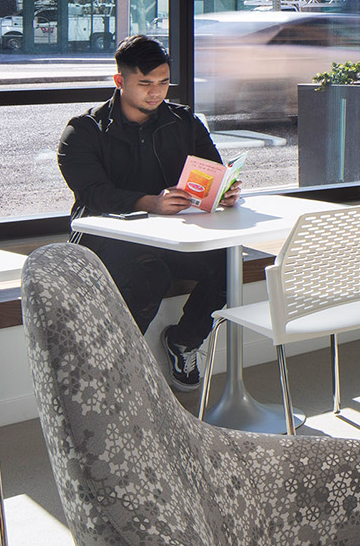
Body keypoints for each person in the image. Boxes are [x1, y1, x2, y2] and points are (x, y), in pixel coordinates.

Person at [57, 35, 241, 390]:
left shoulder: (183, 121)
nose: (156, 93)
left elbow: (211, 168)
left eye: (162, 82)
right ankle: (115, 370)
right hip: (106, 238)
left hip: (174, 235)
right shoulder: (83, 130)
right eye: (145, 84)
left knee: (229, 263)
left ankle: (184, 341)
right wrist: (150, 202)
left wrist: (223, 193)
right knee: (148, 274)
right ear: (120, 81)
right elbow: (94, 195)